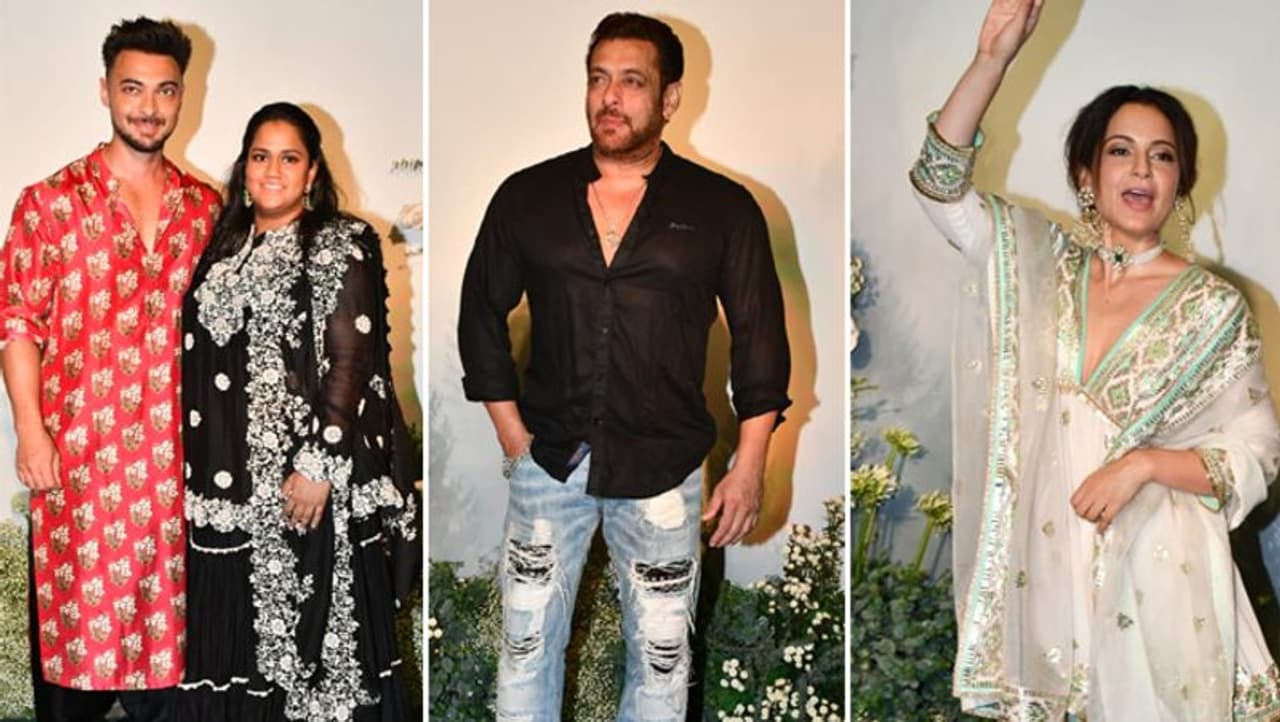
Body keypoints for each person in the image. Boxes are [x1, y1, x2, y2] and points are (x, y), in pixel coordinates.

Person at [910, 0, 1280, 718]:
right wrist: (991, 59)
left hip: (1163, 585)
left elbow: (1258, 450)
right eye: (1120, 150)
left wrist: (1143, 465)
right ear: (1086, 173)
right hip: (1049, 587)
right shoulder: (1037, 266)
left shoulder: (1211, 307)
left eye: (1162, 155)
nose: (1141, 168)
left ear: (1181, 182)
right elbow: (936, 182)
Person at [458, 11, 791, 720]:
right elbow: (479, 314)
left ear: (670, 98)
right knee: (524, 649)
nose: (610, 97)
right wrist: (513, 437)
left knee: (662, 663)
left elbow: (760, 338)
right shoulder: (527, 196)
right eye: (598, 79)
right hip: (549, 462)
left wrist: (750, 463)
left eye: (632, 82)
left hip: (665, 468)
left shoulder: (723, 208)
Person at [0, 16, 219, 721]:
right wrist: (30, 432)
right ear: (104, 91)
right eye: (132, 88)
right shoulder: (49, 202)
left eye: (165, 90)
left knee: (173, 675)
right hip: (79, 474)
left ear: (183, 96)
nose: (149, 107)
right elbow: (16, 322)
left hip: (176, 478)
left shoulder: (205, 209)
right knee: (72, 673)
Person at [175, 102, 417, 722]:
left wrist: (318, 464)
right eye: (261, 156)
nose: (272, 170)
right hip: (224, 489)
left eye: (289, 158)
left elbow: (350, 360)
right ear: (244, 167)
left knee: (314, 655)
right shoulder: (223, 248)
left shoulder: (341, 242)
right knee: (233, 651)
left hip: (302, 490)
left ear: (311, 172)